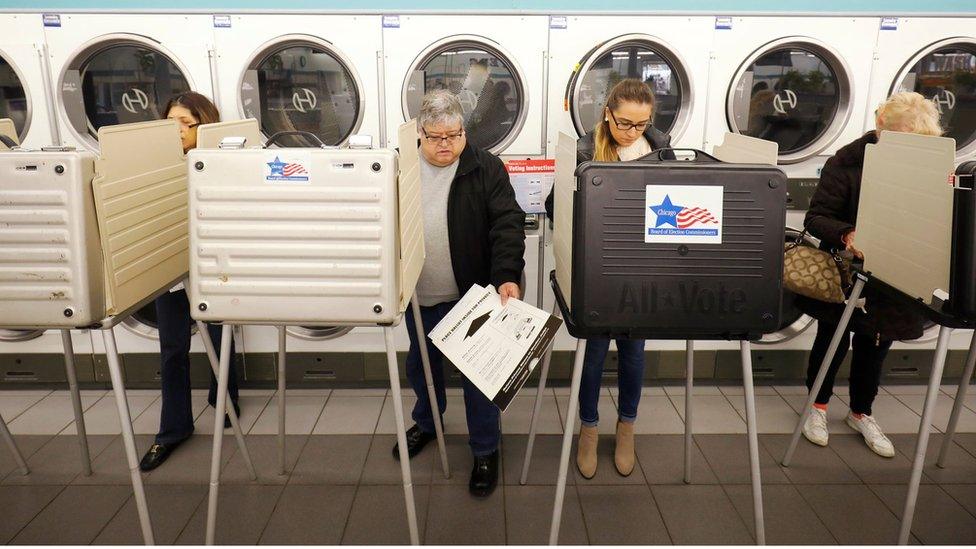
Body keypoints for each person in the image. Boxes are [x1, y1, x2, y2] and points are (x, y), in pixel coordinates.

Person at [394, 89, 526, 497]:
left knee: (478, 378)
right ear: (419, 132)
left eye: (454, 134)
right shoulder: (399, 167)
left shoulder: (486, 167)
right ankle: (428, 423)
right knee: (422, 367)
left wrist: (506, 275)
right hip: (420, 295)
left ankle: (486, 449)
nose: (446, 144)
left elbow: (507, 223)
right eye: (436, 137)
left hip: (473, 296)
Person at [798, 91, 942, 457]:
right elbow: (816, 218)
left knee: (876, 344)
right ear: (881, 128)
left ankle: (862, 412)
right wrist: (848, 234)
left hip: (896, 270)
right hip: (846, 270)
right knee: (832, 340)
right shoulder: (846, 163)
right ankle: (817, 407)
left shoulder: (928, 167)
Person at [544, 78, 674, 478]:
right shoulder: (585, 149)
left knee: (634, 355)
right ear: (607, 113)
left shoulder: (662, 149)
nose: (631, 132)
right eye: (624, 124)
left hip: (642, 272)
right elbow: (555, 207)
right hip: (597, 272)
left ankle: (627, 427)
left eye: (640, 124)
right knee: (594, 356)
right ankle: (588, 428)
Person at [139, 92, 241, 471]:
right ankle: (172, 429)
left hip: (210, 266)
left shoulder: (222, 163)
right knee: (172, 350)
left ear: (206, 127)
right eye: (172, 122)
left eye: (187, 123)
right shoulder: (152, 167)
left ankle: (225, 398)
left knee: (220, 337)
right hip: (170, 268)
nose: (179, 130)